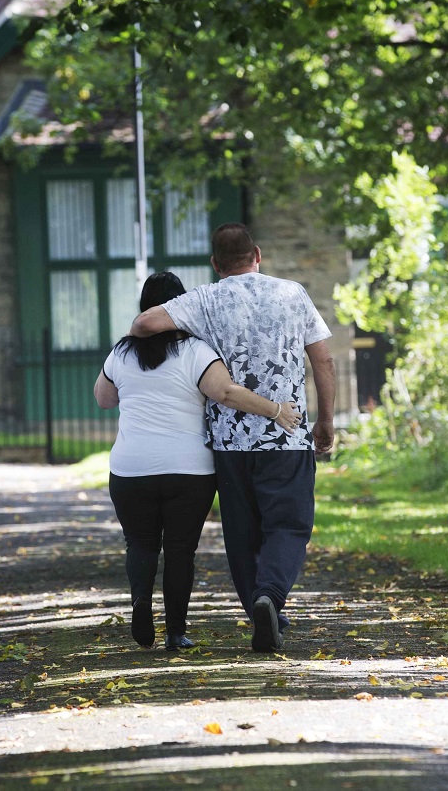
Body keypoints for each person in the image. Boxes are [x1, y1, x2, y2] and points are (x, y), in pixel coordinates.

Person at [130, 223, 335, 653]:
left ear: (215, 264)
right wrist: (325, 423)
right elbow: (324, 362)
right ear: (257, 255)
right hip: (287, 436)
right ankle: (270, 596)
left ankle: (262, 608)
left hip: (229, 441)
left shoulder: (204, 299)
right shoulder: (293, 293)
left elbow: (145, 323)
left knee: (242, 535)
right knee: (289, 526)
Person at [94, 271, 301, 651]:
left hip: (130, 469)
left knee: (139, 544)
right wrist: (275, 410)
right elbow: (226, 391)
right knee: (179, 550)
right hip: (188, 472)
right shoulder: (195, 351)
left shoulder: (121, 353)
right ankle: (175, 632)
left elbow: (103, 398)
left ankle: (141, 602)